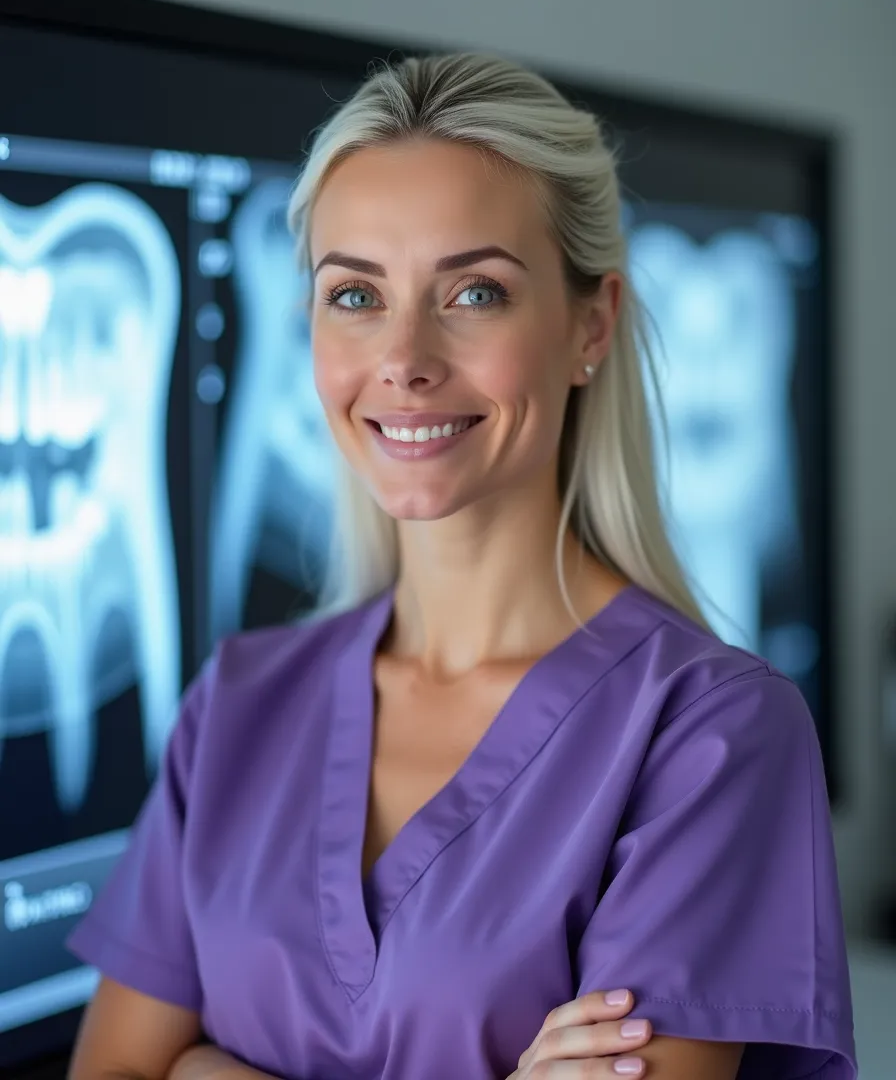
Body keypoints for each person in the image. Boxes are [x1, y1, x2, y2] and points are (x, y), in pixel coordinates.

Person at [66, 53, 857, 1080]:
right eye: (355, 293)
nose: (404, 359)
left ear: (591, 322)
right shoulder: (239, 706)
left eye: (475, 291)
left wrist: (201, 1068)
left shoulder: (711, 733)